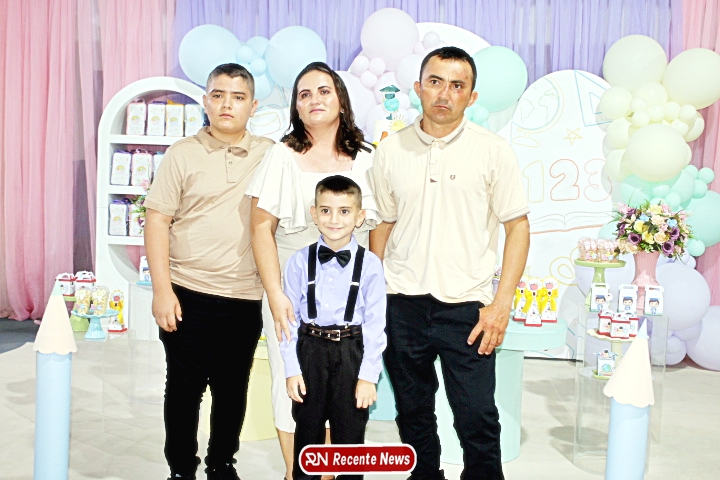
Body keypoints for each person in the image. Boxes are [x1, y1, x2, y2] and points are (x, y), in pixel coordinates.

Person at [368, 46, 531, 480]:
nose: (444, 94)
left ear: (471, 97)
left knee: (477, 415)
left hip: (469, 309)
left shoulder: (493, 151)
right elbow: (383, 223)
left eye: (457, 86)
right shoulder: (391, 150)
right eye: (435, 82)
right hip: (401, 302)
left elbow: (517, 226)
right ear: (418, 88)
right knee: (413, 411)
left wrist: (501, 304)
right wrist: (374, 293)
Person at [247, 62, 377, 480]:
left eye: (323, 91)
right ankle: (295, 472)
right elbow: (260, 228)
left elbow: (377, 229)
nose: (314, 99)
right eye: (304, 94)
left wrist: (373, 287)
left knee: (344, 387)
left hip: (351, 298)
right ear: (296, 107)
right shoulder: (281, 155)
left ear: (341, 99)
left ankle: (332, 472)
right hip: (293, 293)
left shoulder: (366, 158)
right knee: (293, 383)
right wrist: (276, 295)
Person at [144, 63, 273, 480]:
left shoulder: (270, 154)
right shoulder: (182, 153)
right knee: (184, 389)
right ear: (205, 101)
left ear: (253, 106)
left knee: (232, 389)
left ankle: (222, 465)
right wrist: (162, 291)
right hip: (187, 293)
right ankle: (181, 470)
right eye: (218, 95)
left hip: (244, 296)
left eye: (237, 97)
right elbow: (157, 220)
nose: (226, 105)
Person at [282, 175, 386, 480]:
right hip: (309, 350)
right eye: (326, 210)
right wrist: (292, 368)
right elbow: (288, 320)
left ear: (359, 216)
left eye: (344, 211)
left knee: (350, 437)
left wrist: (368, 376)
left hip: (352, 352)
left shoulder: (370, 265)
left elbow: (376, 325)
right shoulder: (299, 261)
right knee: (307, 434)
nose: (334, 219)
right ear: (314, 214)